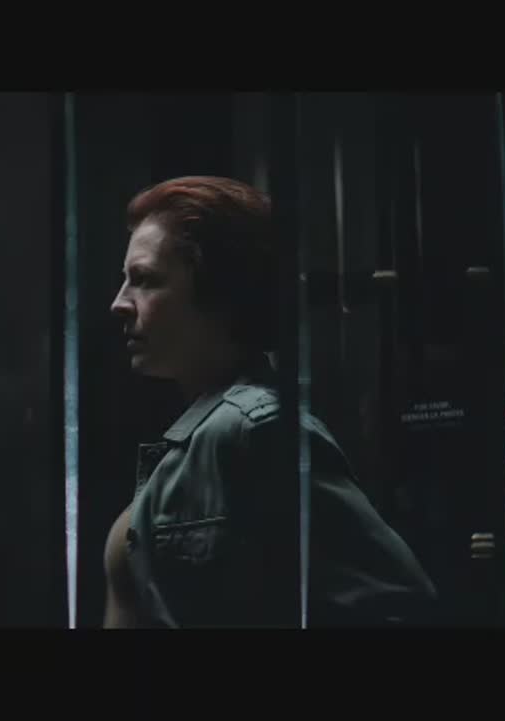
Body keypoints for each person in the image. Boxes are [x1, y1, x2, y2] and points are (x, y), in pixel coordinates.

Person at [103, 176, 437, 628]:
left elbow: (397, 608)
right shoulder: (205, 436)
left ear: (217, 290)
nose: (119, 303)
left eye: (144, 280)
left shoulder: (256, 429)